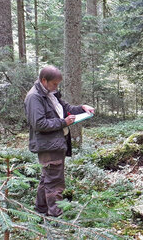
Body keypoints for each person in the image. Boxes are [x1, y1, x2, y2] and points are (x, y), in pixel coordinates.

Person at [24, 66, 94, 217]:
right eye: (54, 83)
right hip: (48, 146)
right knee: (55, 182)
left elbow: (66, 108)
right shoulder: (34, 97)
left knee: (47, 178)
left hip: (55, 143)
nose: (56, 87)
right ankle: (57, 217)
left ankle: (41, 210)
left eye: (58, 84)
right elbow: (39, 124)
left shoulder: (50, 93)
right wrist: (63, 122)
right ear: (44, 80)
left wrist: (82, 108)